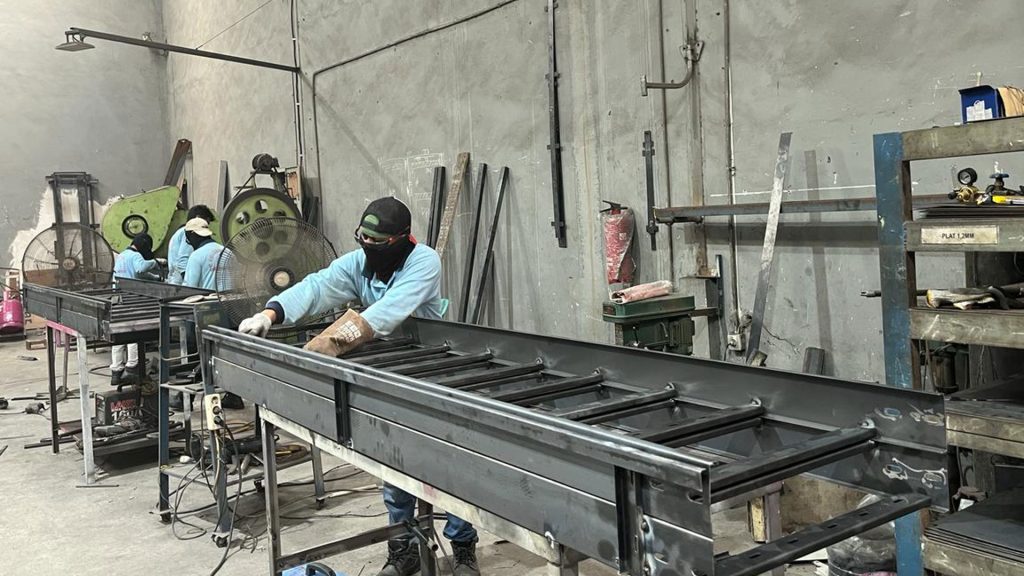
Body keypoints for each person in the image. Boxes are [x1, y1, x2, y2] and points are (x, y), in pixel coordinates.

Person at [237, 197, 480, 576]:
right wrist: (271, 313)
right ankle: (403, 547)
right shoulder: (358, 263)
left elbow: (387, 312)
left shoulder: (424, 261)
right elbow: (317, 286)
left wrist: (329, 342)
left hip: (431, 370)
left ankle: (462, 546)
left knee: (446, 463)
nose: (368, 246)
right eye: (363, 239)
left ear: (402, 239)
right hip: (385, 373)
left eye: (377, 241)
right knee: (394, 462)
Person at [111, 233, 160, 387]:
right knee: (133, 331)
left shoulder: (122, 255)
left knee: (118, 334)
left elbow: (139, 274)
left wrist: (155, 278)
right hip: (131, 299)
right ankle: (132, 367)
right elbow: (141, 268)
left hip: (118, 298)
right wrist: (156, 262)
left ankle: (116, 371)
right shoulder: (136, 256)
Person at [167, 205, 216, 285]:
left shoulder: (182, 231)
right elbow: (183, 260)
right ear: (198, 218)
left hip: (175, 279)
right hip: (180, 282)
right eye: (206, 222)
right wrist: (188, 284)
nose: (206, 226)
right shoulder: (190, 234)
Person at [182, 217, 224, 291]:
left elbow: (189, 288)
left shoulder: (196, 256)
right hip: (231, 298)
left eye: (188, 238)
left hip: (208, 298)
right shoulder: (228, 252)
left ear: (192, 235)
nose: (188, 242)